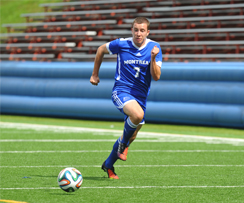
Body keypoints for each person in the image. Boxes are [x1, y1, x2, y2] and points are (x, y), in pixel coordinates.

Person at [90, 17, 162, 179]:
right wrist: (95, 74)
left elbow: (156, 77)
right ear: (132, 30)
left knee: (132, 134)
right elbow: (101, 49)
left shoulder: (154, 48)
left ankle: (108, 165)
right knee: (137, 116)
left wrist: (152, 58)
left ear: (147, 32)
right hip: (121, 91)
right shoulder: (121, 44)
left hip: (140, 97)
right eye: (136, 30)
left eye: (142, 30)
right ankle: (123, 145)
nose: (138, 33)